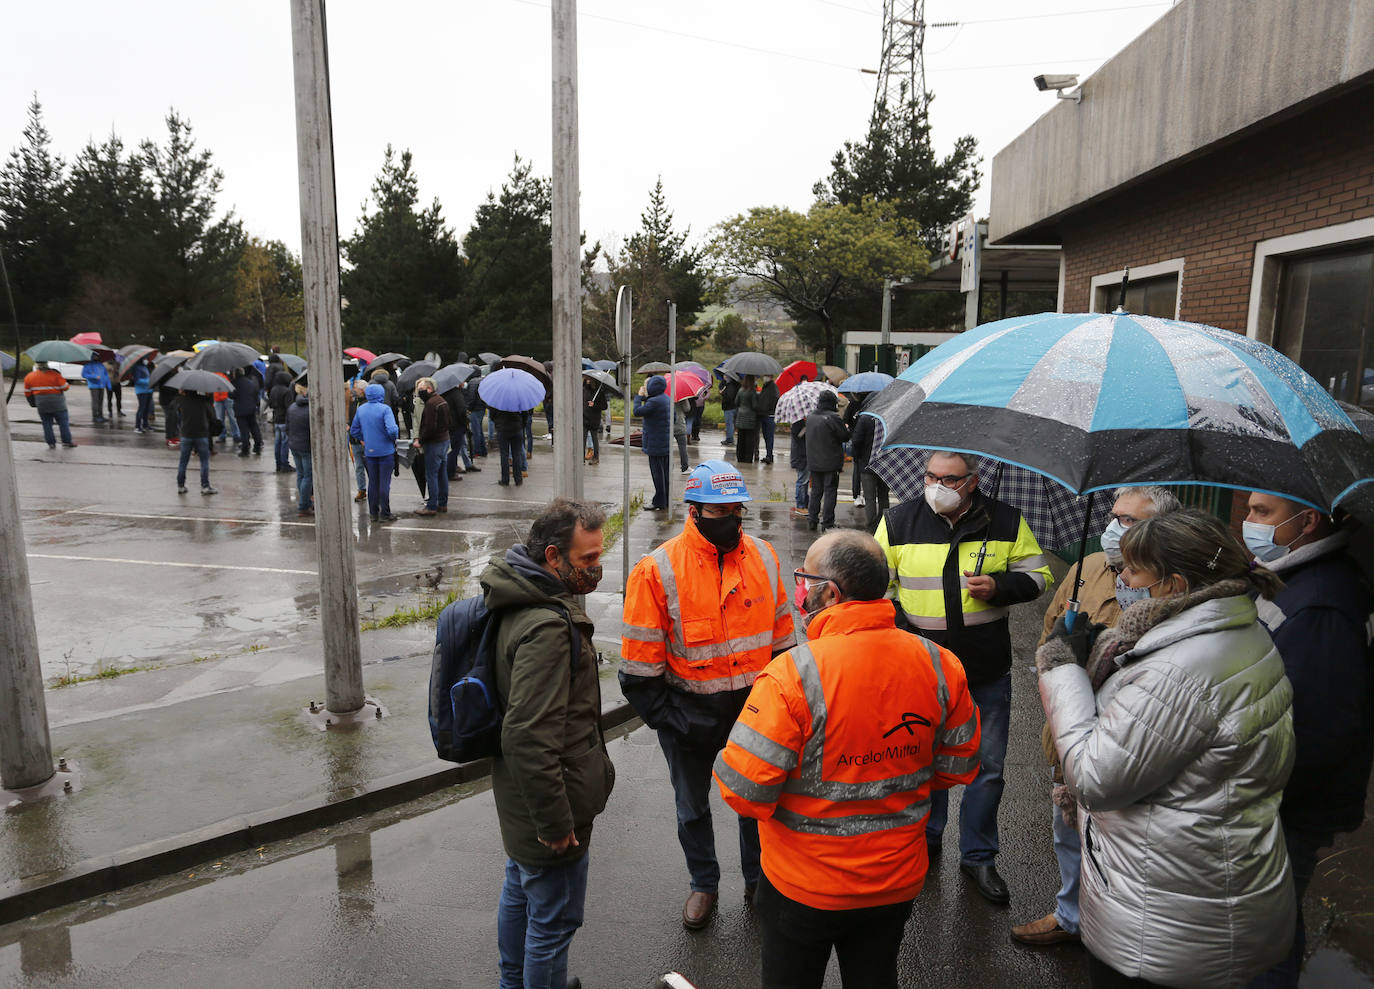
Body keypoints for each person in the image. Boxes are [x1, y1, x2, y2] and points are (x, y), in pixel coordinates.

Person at [1038, 508, 1295, 988]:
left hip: (1163, 917)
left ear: (1174, 585)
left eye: (1133, 570)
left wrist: (1063, 669)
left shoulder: (1179, 668)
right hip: (1202, 886)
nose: (1122, 577)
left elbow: (1096, 780)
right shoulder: (1236, 630)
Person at [715, 529, 981, 989]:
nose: (799, 589)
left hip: (803, 885)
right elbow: (958, 767)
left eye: (804, 579)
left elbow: (746, 791)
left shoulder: (791, 675)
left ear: (830, 593)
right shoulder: (941, 664)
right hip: (895, 879)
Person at [620, 460, 795, 930]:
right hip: (687, 713)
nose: (729, 519)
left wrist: (783, 706)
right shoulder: (656, 570)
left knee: (754, 801)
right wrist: (672, 720)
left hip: (755, 712)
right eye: (719, 511)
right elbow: (638, 669)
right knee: (691, 806)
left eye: (735, 509)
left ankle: (759, 883)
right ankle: (704, 884)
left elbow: (783, 642)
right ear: (694, 512)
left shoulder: (763, 556)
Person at [875, 450, 1052, 904]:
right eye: (931, 476)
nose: (937, 486)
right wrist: (903, 635)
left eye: (950, 479)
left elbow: (1038, 575)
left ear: (973, 482)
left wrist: (1000, 586)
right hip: (921, 670)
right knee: (922, 763)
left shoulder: (1007, 521)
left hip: (985, 669)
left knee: (987, 770)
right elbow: (879, 588)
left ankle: (978, 856)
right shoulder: (898, 521)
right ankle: (925, 843)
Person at [1011, 486, 1180, 948]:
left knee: (1126, 841)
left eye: (1128, 521)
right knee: (1067, 826)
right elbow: (1048, 634)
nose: (1113, 529)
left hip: (1134, 735)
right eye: (1113, 517)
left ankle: (1119, 930)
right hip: (1074, 728)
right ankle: (1070, 914)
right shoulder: (1087, 568)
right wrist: (1063, 653)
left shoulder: (1176, 584)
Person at [1241, 492, 1374, 988]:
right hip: (1273, 798)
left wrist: (1256, 797)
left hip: (1284, 807)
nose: (1248, 523)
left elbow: (1313, 731)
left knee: (1261, 940)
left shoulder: (1320, 600)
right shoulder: (1290, 579)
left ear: (1308, 521)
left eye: (1261, 513)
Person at [484, 498, 616, 989]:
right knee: (553, 924)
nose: (596, 569)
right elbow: (527, 736)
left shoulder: (519, 594)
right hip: (549, 802)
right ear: (554, 556)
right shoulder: (546, 627)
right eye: (587, 560)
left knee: (520, 891)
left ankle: (513, 983)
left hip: (523, 799)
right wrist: (556, 822)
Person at [348, 382, 399, 523]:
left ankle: (373, 513)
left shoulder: (362, 409)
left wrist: (364, 439)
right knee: (384, 483)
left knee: (373, 483)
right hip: (385, 451)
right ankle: (385, 513)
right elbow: (393, 430)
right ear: (381, 394)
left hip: (370, 452)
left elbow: (354, 430)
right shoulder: (385, 409)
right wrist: (392, 439)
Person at [805, 390, 849, 532]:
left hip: (814, 461)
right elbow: (844, 436)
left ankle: (812, 520)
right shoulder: (833, 417)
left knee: (816, 491)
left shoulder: (811, 417)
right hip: (831, 462)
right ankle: (828, 522)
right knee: (830, 492)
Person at [412, 377, 451, 517]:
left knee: (432, 475)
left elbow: (429, 427)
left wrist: (420, 440)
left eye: (421, 389)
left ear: (429, 389)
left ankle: (432, 505)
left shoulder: (430, 404)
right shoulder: (442, 401)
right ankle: (442, 503)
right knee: (442, 474)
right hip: (444, 441)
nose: (419, 392)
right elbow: (448, 422)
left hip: (434, 443)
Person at [848, 400, 889, 531]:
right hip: (884, 463)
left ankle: (872, 526)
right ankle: (884, 523)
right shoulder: (889, 417)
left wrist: (857, 457)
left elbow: (856, 441)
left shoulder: (865, 418)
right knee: (883, 495)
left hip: (867, 464)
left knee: (869, 497)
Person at [634, 376, 672, 510]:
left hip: (655, 444)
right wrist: (645, 397)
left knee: (657, 475)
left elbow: (637, 411)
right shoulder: (666, 398)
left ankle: (658, 502)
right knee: (665, 474)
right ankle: (665, 500)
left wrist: (638, 397)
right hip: (664, 442)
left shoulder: (654, 402)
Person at [175, 388, 218, 495]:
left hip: (186, 434)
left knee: (183, 462)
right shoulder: (203, 400)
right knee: (204, 461)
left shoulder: (181, 401)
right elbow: (212, 416)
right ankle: (205, 486)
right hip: (201, 434)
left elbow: (176, 414)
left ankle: (181, 486)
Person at [24, 361, 75, 448]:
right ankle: (66, 442)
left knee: (46, 423)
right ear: (47, 365)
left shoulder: (29, 376)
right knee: (63, 423)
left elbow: (27, 393)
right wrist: (60, 377)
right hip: (58, 403)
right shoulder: (55, 375)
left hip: (41, 403)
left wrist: (32, 402)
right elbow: (65, 387)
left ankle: (51, 443)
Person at [286, 384, 313, 516]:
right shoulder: (310, 410)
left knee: (301, 475)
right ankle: (303, 506)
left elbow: (288, 426)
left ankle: (305, 502)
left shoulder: (292, 407)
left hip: (294, 445)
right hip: (306, 447)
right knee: (308, 477)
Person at [268, 367, 295, 473]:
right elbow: (289, 407)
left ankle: (278, 463)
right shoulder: (286, 391)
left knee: (277, 443)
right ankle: (284, 464)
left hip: (276, 419)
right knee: (284, 443)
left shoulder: (273, 390)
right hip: (284, 420)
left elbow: (270, 404)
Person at [231, 369, 263, 456]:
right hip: (251, 408)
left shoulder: (234, 383)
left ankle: (245, 450)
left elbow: (232, 395)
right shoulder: (249, 382)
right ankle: (257, 446)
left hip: (240, 410)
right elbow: (256, 393)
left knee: (244, 430)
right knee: (254, 427)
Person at [346, 379, 368, 501]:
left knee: (369, 467)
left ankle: (374, 489)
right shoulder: (353, 402)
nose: (354, 391)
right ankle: (362, 490)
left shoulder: (366, 404)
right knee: (358, 466)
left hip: (364, 440)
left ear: (363, 390)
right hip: (354, 440)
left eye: (356, 389)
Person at [582, 377, 608, 466]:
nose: (587, 380)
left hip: (594, 419)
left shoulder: (599, 391)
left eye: (589, 379)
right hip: (584, 417)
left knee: (594, 438)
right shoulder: (584, 389)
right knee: (583, 438)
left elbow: (605, 406)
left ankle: (596, 457)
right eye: (586, 379)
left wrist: (594, 405)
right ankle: (581, 458)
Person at [734, 374, 759, 464]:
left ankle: (739, 457)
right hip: (750, 418)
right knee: (749, 439)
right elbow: (754, 405)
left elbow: (736, 402)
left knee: (740, 438)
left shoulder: (740, 390)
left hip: (740, 416)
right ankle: (748, 458)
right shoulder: (752, 391)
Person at [789, 418, 808, 520]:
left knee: (804, 480)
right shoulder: (798, 423)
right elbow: (800, 436)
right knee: (802, 481)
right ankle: (800, 505)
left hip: (802, 456)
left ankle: (803, 504)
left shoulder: (800, 422)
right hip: (802, 456)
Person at [757, 376, 778, 464]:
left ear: (770, 377)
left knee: (769, 437)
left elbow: (775, 399)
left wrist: (767, 407)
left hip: (769, 415)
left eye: (766, 376)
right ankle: (768, 455)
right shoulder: (766, 386)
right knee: (766, 436)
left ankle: (770, 455)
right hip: (764, 414)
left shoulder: (773, 387)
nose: (764, 377)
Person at [131, 357, 155, 434]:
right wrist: (149, 381)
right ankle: (137, 426)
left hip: (148, 390)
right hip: (141, 391)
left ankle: (145, 424)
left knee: (146, 409)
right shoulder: (136, 367)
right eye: (144, 358)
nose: (146, 359)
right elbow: (137, 380)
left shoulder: (144, 367)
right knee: (141, 408)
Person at [81, 359, 109, 424]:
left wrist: (108, 384)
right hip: (93, 385)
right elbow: (83, 374)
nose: (96, 357)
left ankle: (100, 416)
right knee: (95, 401)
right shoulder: (88, 364)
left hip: (102, 385)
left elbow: (105, 374)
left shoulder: (101, 364)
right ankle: (95, 417)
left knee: (100, 401)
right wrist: (94, 376)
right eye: (95, 355)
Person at [720, 376, 739, 447]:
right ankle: (729, 439)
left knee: (729, 424)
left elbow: (729, 397)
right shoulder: (735, 384)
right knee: (731, 423)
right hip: (734, 406)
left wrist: (723, 393)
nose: (724, 376)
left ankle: (729, 439)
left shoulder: (730, 385)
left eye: (725, 375)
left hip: (729, 407)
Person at [673, 398, 691, 473]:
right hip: (679, 424)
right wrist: (686, 400)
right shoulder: (681, 397)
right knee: (682, 447)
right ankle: (685, 467)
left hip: (667, 424)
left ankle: (668, 466)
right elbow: (687, 409)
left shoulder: (665, 395)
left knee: (667, 448)